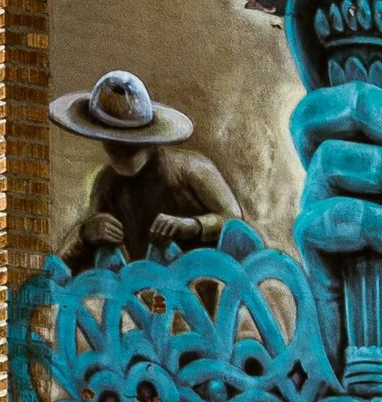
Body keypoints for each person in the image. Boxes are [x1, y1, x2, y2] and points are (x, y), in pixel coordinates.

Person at [52, 68, 243, 267]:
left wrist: (192, 226)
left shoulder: (192, 169)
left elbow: (234, 219)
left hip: (202, 278)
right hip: (139, 282)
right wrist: (87, 232)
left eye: (130, 143)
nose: (121, 151)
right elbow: (63, 263)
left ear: (148, 138)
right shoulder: (107, 183)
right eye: (113, 141)